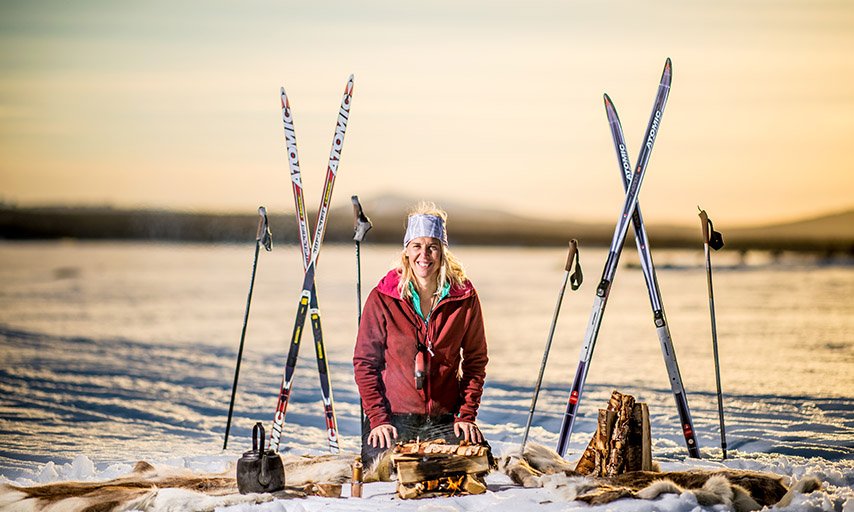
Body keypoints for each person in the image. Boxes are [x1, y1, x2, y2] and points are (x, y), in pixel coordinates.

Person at [353, 202, 489, 466]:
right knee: (384, 470)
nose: (424, 255)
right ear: (407, 252)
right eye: (417, 246)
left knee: (475, 464)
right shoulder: (383, 298)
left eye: (432, 246)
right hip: (393, 418)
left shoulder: (464, 298)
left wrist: (466, 415)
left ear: (442, 252)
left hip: (444, 418)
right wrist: (378, 420)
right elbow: (365, 363)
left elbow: (475, 361)